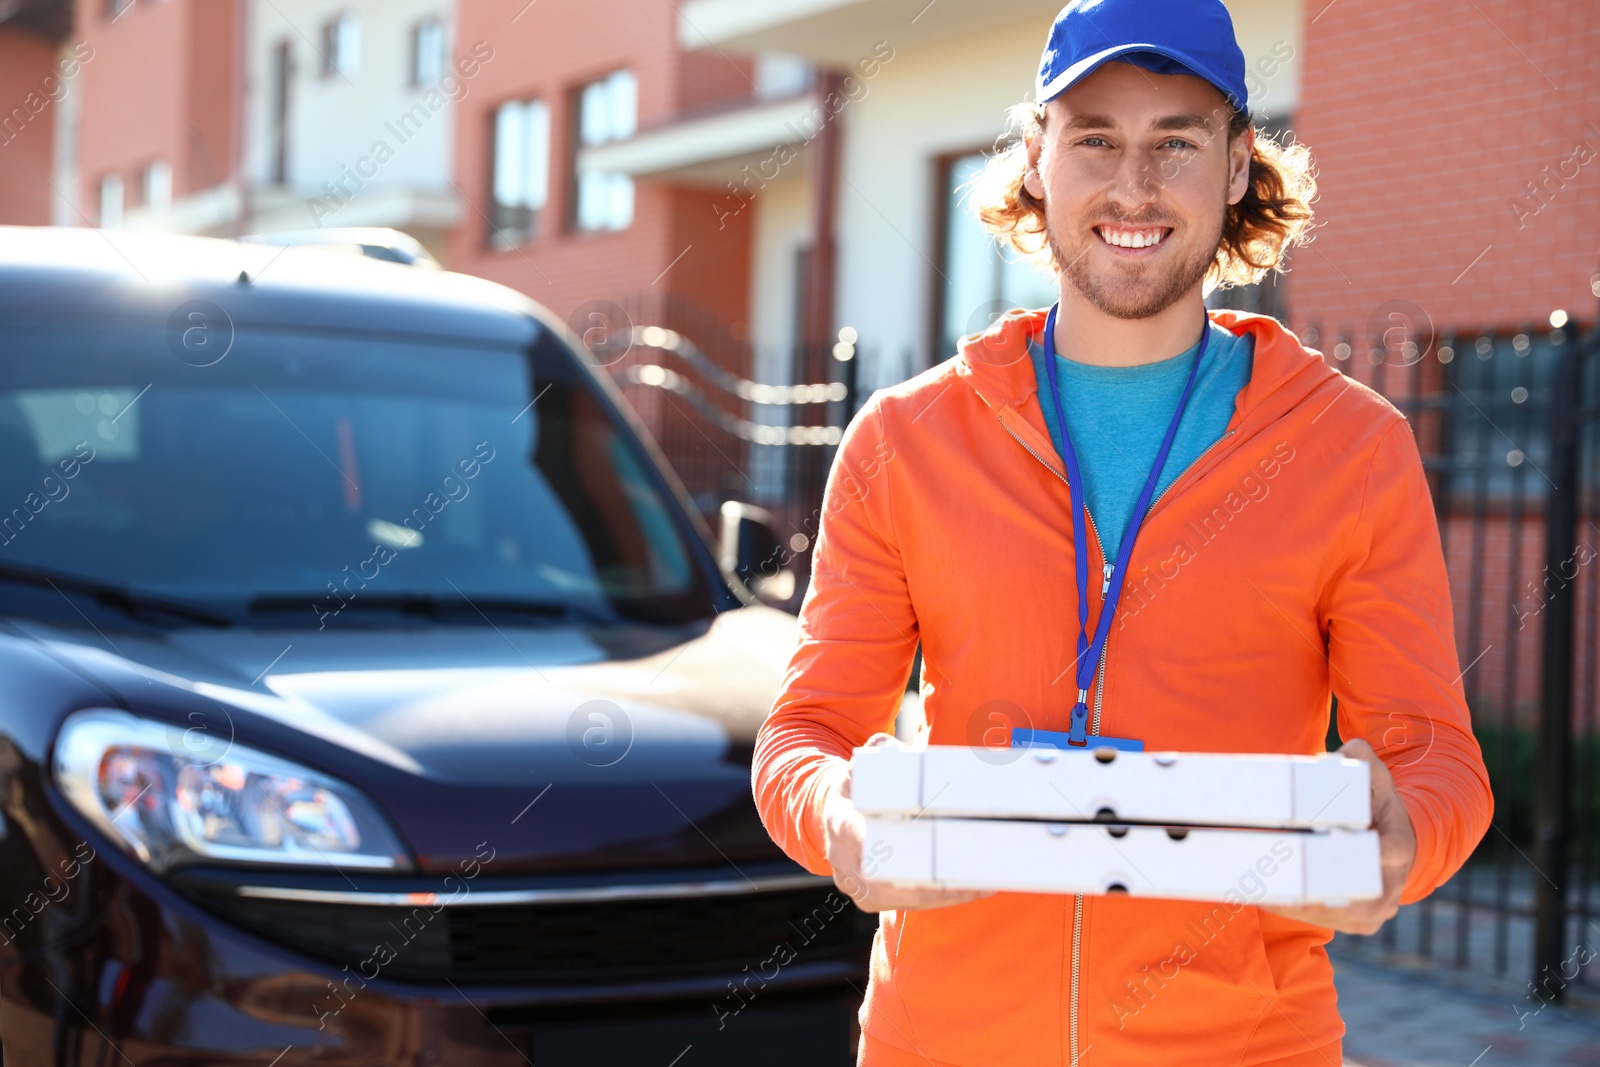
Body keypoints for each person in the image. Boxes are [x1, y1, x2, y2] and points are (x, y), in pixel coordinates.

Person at [750, 1, 1495, 1064]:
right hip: (944, 1037)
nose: (1132, 188)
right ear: (1037, 157)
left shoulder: (1350, 448)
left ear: (1239, 164)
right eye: (1094, 136)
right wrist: (839, 822)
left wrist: (1402, 840)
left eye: (1175, 143)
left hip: (1246, 1041)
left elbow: (1437, 757)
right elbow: (804, 733)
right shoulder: (902, 440)